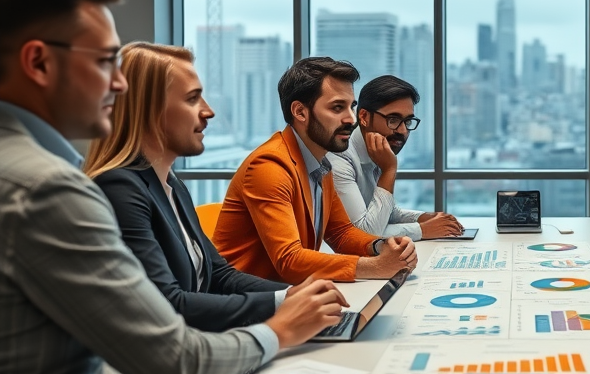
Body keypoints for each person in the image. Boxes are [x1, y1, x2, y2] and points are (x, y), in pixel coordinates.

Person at [0, 0, 353, 374]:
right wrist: (279, 329)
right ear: (38, 61)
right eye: (106, 62)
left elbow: (204, 282)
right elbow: (177, 363)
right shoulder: (49, 190)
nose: (117, 83)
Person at [84, 42, 328, 338]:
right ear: (149, 111)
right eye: (192, 99)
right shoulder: (120, 188)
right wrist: (283, 303)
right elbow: (169, 304)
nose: (208, 112)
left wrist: (299, 294)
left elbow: (219, 276)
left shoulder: (172, 184)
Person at [214, 57, 417, 283]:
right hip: (246, 305)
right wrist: (375, 267)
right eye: (337, 107)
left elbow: (341, 234)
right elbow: (289, 260)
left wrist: (382, 247)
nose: (351, 119)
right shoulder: (269, 166)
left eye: (351, 107)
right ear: (300, 112)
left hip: (289, 297)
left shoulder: (321, 164)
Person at [332, 74, 464, 240]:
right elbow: (364, 234)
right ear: (364, 117)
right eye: (393, 119)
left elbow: (383, 212)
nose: (402, 131)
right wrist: (422, 230)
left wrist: (424, 218)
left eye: (408, 121)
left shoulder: (377, 147)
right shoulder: (339, 157)